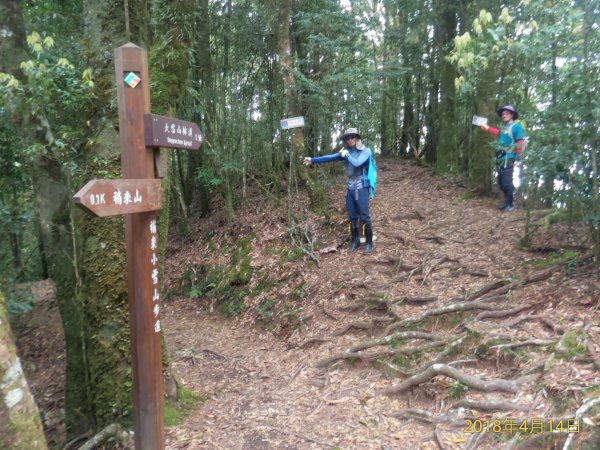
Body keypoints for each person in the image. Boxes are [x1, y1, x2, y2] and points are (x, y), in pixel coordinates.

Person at [303, 128, 374, 254]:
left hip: (362, 187)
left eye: (352, 137)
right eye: (347, 138)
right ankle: (355, 241)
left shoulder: (365, 151)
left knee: (365, 216)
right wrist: (312, 159)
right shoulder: (346, 152)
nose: (350, 140)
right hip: (350, 187)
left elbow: (357, 163)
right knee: (352, 217)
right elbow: (329, 157)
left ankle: (369, 243)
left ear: (356, 137)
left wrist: (346, 154)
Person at [480, 105, 526, 212]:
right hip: (501, 157)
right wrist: (487, 128)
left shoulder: (516, 126)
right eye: (503, 114)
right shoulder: (506, 127)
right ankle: (506, 202)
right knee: (500, 181)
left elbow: (520, 141)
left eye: (507, 114)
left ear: (512, 115)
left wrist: (517, 158)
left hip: (509, 157)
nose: (504, 116)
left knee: (506, 182)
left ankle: (510, 204)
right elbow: (499, 133)